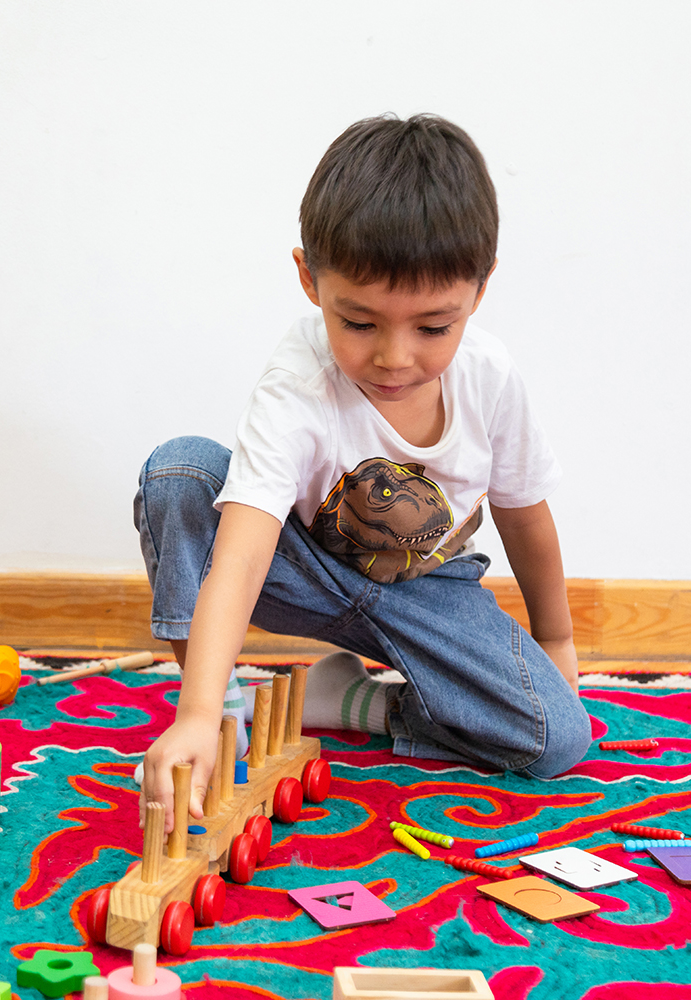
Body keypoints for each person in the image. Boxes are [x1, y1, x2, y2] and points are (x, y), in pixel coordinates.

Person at [133, 113, 592, 831]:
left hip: (427, 592)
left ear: (480, 289)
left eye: (433, 327)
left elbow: (524, 512)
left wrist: (556, 640)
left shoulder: (490, 379)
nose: (394, 357)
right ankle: (218, 714)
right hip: (306, 572)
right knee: (181, 472)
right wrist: (193, 712)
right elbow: (246, 549)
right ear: (310, 280)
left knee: (556, 737)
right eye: (360, 322)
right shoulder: (297, 382)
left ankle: (354, 703)